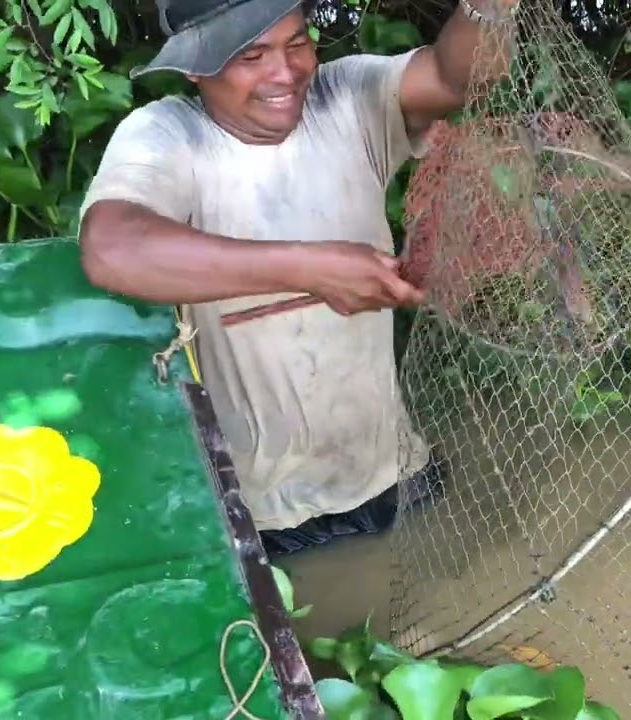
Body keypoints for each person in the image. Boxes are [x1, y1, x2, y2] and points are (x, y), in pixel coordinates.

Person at [77, 0, 515, 555]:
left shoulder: (350, 95)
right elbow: (111, 248)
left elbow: (458, 76)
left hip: (393, 473)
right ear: (195, 68)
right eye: (252, 55)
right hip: (265, 512)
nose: (284, 72)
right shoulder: (168, 134)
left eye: (297, 43)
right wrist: (311, 269)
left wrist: (490, 5)